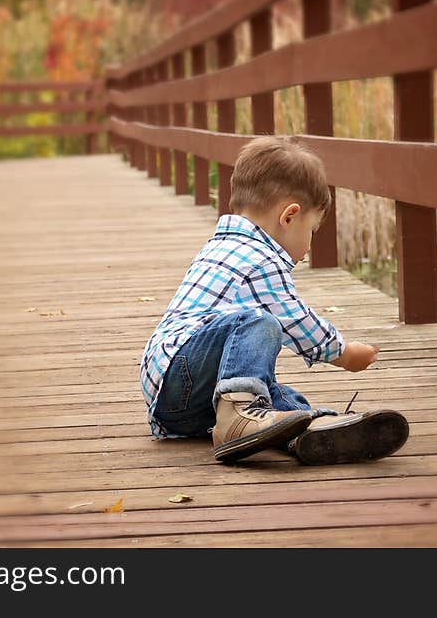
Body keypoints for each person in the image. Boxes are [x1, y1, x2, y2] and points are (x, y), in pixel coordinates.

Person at [139, 135, 408, 464]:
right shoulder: (259, 261)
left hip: (182, 397)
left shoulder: (224, 245)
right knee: (258, 321)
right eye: (312, 230)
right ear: (289, 216)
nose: (309, 245)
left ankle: (307, 427)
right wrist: (345, 354)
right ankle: (243, 417)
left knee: (270, 392)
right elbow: (295, 320)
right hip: (180, 377)